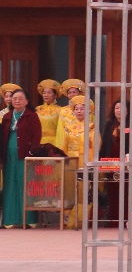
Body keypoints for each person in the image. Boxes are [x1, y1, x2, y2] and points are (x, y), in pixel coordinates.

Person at [0, 88, 40, 227]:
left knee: (25, 185)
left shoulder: (31, 116)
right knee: (9, 185)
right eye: (14, 98)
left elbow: (36, 136)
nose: (17, 101)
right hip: (9, 156)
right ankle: (10, 220)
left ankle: (29, 220)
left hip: (25, 155)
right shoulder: (7, 116)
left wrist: (31, 153)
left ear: (27, 101)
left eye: (20, 98)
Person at [57, 96, 91, 229]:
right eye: (76, 109)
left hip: (85, 159)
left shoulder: (91, 127)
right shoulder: (68, 127)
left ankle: (82, 219)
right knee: (69, 189)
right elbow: (63, 145)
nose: (79, 111)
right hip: (71, 159)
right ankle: (67, 220)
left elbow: (96, 144)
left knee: (84, 190)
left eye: (82, 108)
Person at [34, 79, 63, 153]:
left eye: (49, 93)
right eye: (44, 93)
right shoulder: (37, 109)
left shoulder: (60, 110)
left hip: (54, 141)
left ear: (55, 95)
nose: (46, 95)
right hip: (38, 141)